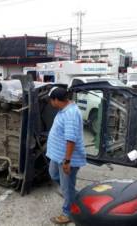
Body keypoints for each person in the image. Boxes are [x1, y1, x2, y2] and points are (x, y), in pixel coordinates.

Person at [46, 87, 87, 225]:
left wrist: (67, 161)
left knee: (66, 185)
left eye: (51, 100)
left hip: (66, 158)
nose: (50, 103)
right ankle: (73, 195)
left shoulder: (70, 114)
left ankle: (68, 213)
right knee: (54, 175)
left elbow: (71, 139)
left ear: (57, 100)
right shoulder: (64, 110)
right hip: (57, 156)